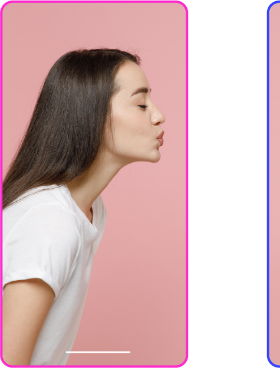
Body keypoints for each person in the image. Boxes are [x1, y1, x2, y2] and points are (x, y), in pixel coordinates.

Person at [2, 48, 165, 365]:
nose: (158, 115)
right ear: (92, 114)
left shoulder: (89, 210)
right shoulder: (50, 221)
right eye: (141, 104)